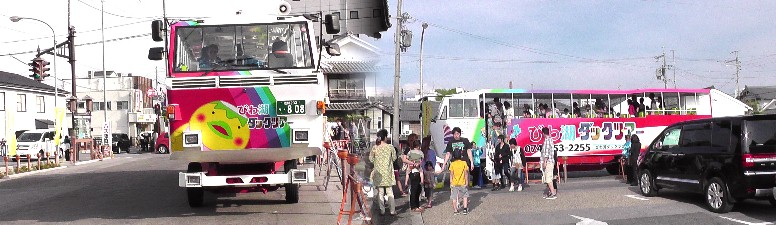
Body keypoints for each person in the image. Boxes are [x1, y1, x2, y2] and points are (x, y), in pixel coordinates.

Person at [369, 129, 397, 216]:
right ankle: (392, 210)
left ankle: (382, 210)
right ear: (385, 137)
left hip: (378, 174)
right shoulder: (390, 147)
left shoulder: (375, 148)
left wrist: (377, 162)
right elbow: (394, 158)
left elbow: (371, 159)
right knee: (390, 192)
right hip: (388, 173)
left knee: (380, 192)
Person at [447, 143, 470, 215]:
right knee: (465, 196)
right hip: (462, 182)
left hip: (454, 183)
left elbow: (451, 174)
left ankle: (455, 211)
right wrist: (466, 182)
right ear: (461, 155)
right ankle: (465, 209)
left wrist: (451, 182)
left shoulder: (452, 164)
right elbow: (466, 173)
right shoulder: (464, 163)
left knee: (454, 197)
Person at [540, 127, 557, 199]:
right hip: (550, 161)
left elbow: (546, 153)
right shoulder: (550, 139)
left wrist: (544, 162)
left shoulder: (547, 140)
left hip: (548, 162)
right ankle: (550, 192)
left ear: (543, 133)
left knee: (548, 178)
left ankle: (553, 193)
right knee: (548, 177)